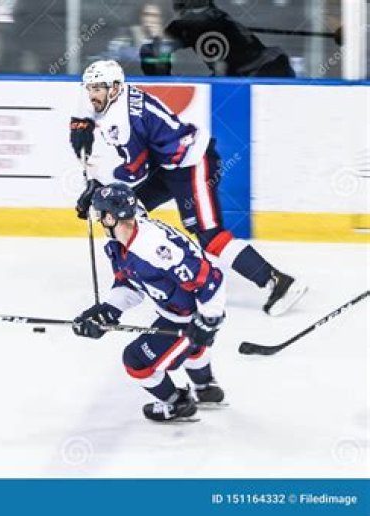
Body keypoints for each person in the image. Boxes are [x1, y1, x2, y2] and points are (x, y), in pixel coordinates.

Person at [69, 59, 306, 316]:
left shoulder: (121, 121)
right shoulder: (112, 96)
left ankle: (278, 281)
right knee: (123, 212)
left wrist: (100, 189)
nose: (92, 94)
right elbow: (87, 107)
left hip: (193, 164)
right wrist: (81, 124)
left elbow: (136, 170)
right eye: (90, 88)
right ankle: (132, 278)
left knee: (209, 236)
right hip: (166, 165)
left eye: (97, 89)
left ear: (114, 88)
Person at [73, 183, 225, 422]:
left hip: (190, 315)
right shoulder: (123, 238)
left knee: (136, 360)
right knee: (191, 347)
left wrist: (209, 320)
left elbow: (210, 280)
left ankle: (177, 404)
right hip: (176, 311)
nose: (99, 220)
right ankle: (206, 389)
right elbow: (130, 284)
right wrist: (107, 311)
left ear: (111, 218)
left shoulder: (153, 248)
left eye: (101, 215)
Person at [141, 0, 295, 77]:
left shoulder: (188, 22)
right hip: (275, 68)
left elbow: (154, 52)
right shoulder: (214, 16)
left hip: (263, 74)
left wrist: (162, 82)